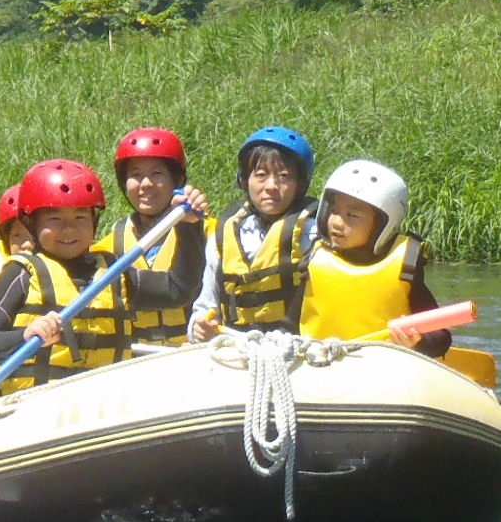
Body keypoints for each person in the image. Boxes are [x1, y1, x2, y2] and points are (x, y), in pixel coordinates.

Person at [0, 159, 198, 396]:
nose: (69, 229)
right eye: (55, 219)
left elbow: (179, 290)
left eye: (80, 218)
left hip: (104, 405)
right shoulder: (20, 274)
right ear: (31, 223)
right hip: (36, 405)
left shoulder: (113, 273)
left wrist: (189, 226)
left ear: (94, 221)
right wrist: (24, 336)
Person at [299, 159, 452, 357]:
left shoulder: (405, 267)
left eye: (352, 215)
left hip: (385, 365)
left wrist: (418, 342)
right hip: (321, 360)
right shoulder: (315, 258)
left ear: (382, 223)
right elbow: (290, 323)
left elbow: (441, 338)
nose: (336, 222)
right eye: (334, 211)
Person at [191, 126, 318, 341]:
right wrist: (199, 326)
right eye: (261, 175)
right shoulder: (223, 237)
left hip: (295, 347)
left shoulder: (312, 234)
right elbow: (206, 306)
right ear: (244, 180)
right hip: (238, 347)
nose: (271, 186)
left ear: (299, 185)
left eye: (284, 176)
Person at [97, 128, 209, 347]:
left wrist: (189, 222)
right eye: (136, 175)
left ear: (178, 180)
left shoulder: (209, 233)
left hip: (195, 353)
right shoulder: (107, 248)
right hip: (135, 359)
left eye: (157, 173)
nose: (146, 183)